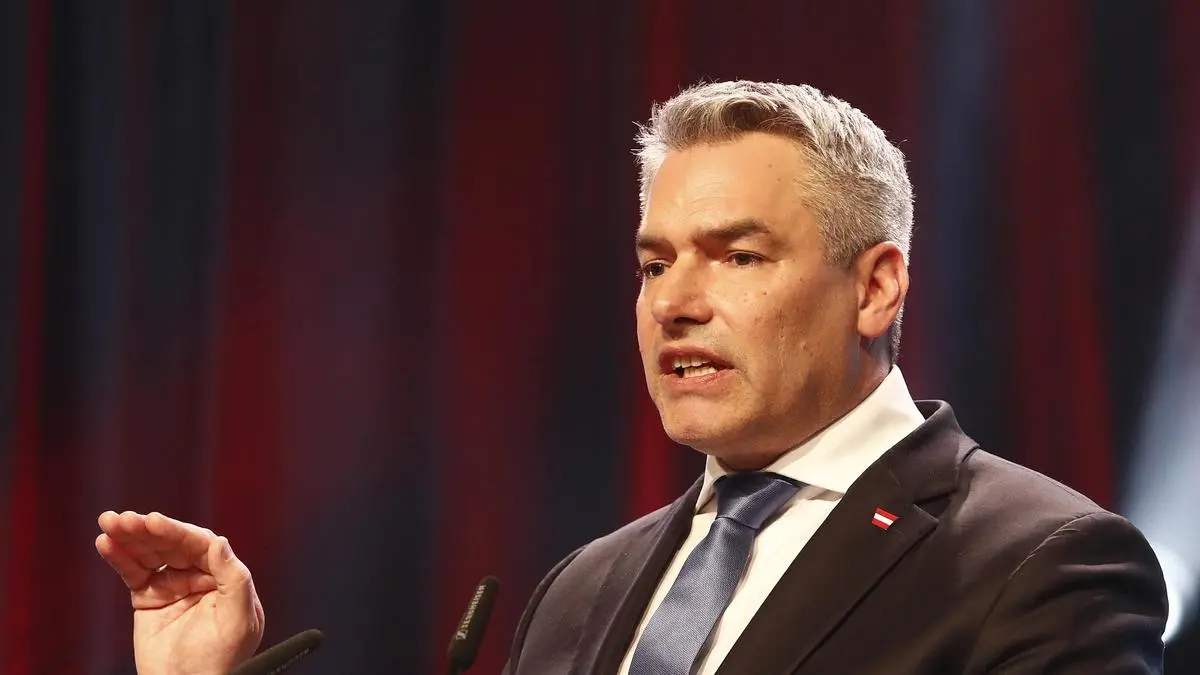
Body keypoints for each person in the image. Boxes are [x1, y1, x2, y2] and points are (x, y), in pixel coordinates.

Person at [97, 80, 1169, 674]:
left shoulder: (1043, 564)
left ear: (876, 287)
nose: (674, 302)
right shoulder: (583, 588)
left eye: (737, 256)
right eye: (656, 264)